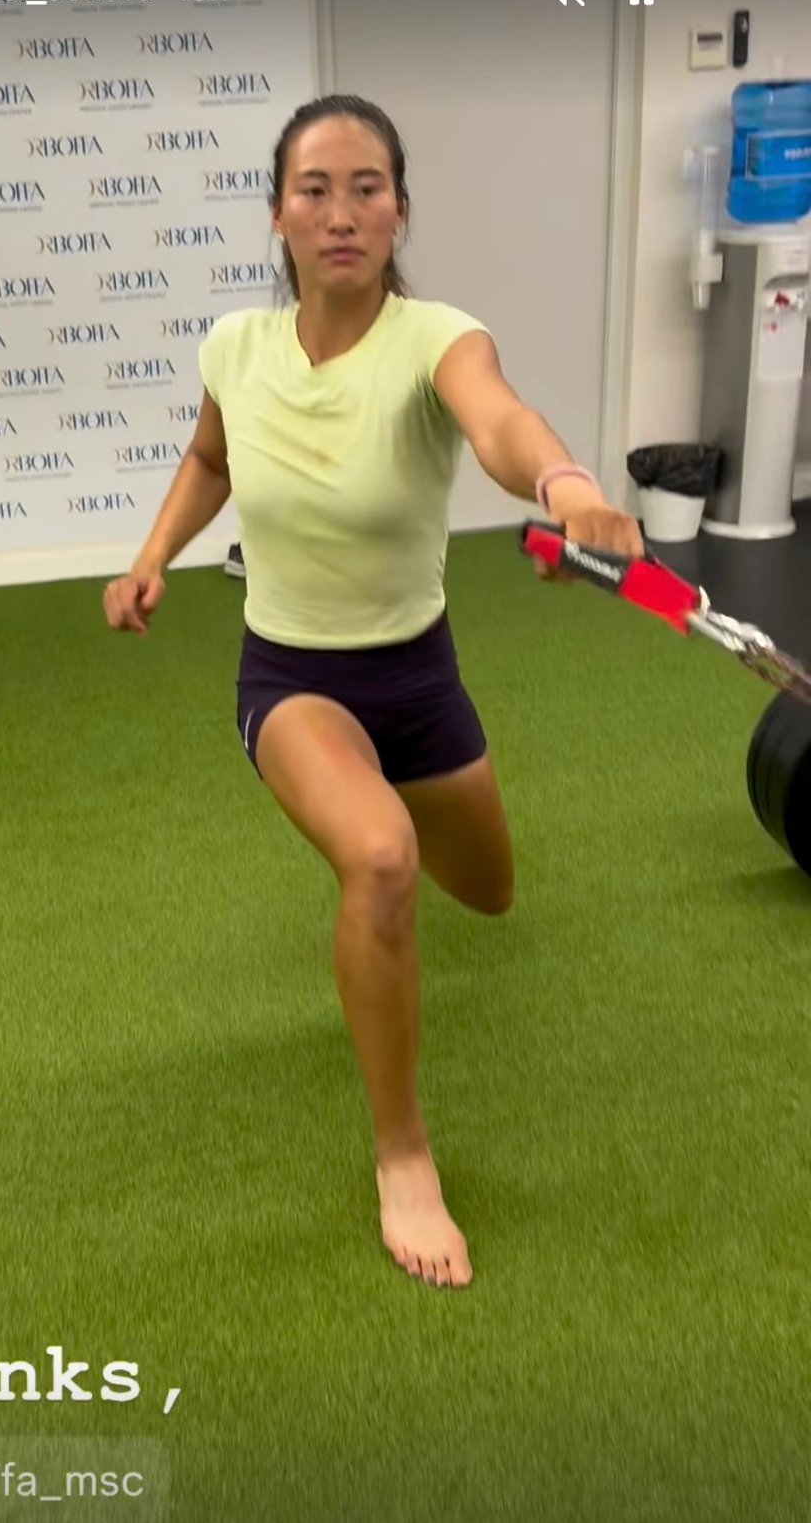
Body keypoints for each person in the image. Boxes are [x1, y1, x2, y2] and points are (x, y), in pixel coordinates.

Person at [104, 95, 645, 1291]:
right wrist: (152, 557)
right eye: (314, 189)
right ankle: (403, 1155)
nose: (340, 213)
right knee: (384, 860)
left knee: (487, 895)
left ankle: (377, 849)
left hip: (418, 676)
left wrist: (561, 481)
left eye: (366, 188)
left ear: (401, 210)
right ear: (278, 214)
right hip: (291, 676)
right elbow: (209, 457)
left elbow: (498, 420)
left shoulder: (436, 338)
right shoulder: (234, 349)